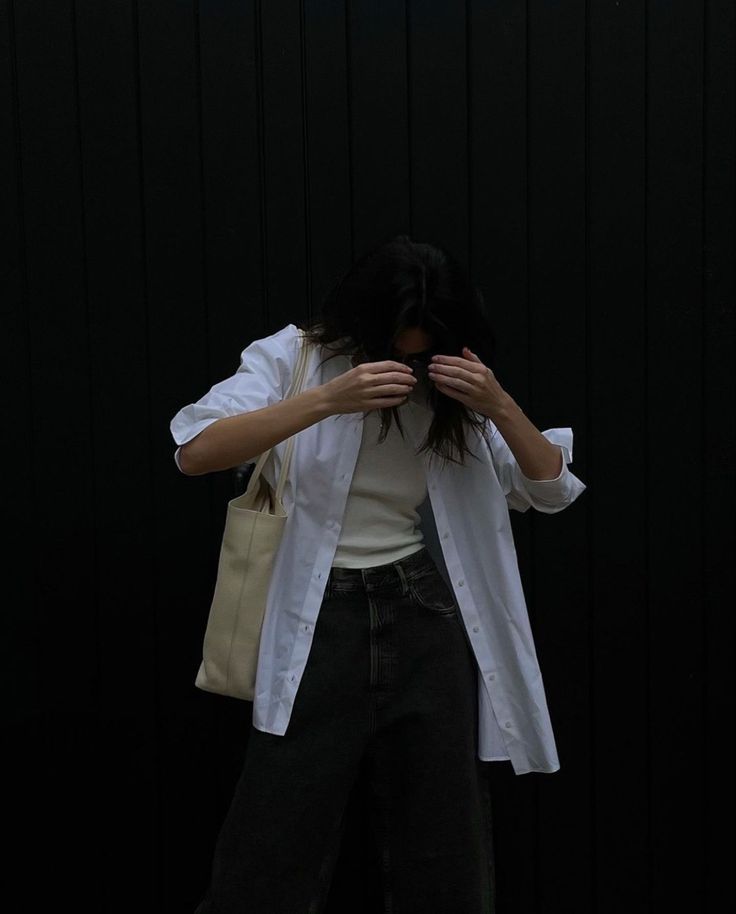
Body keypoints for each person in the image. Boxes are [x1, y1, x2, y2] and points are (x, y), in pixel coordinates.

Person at [170, 233, 587, 913]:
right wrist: (329, 400)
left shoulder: (452, 380)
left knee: (444, 836)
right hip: (314, 618)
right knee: (275, 833)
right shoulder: (294, 354)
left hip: (421, 610)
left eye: (422, 352)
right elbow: (195, 451)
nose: (409, 363)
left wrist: (497, 402)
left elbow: (550, 489)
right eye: (395, 346)